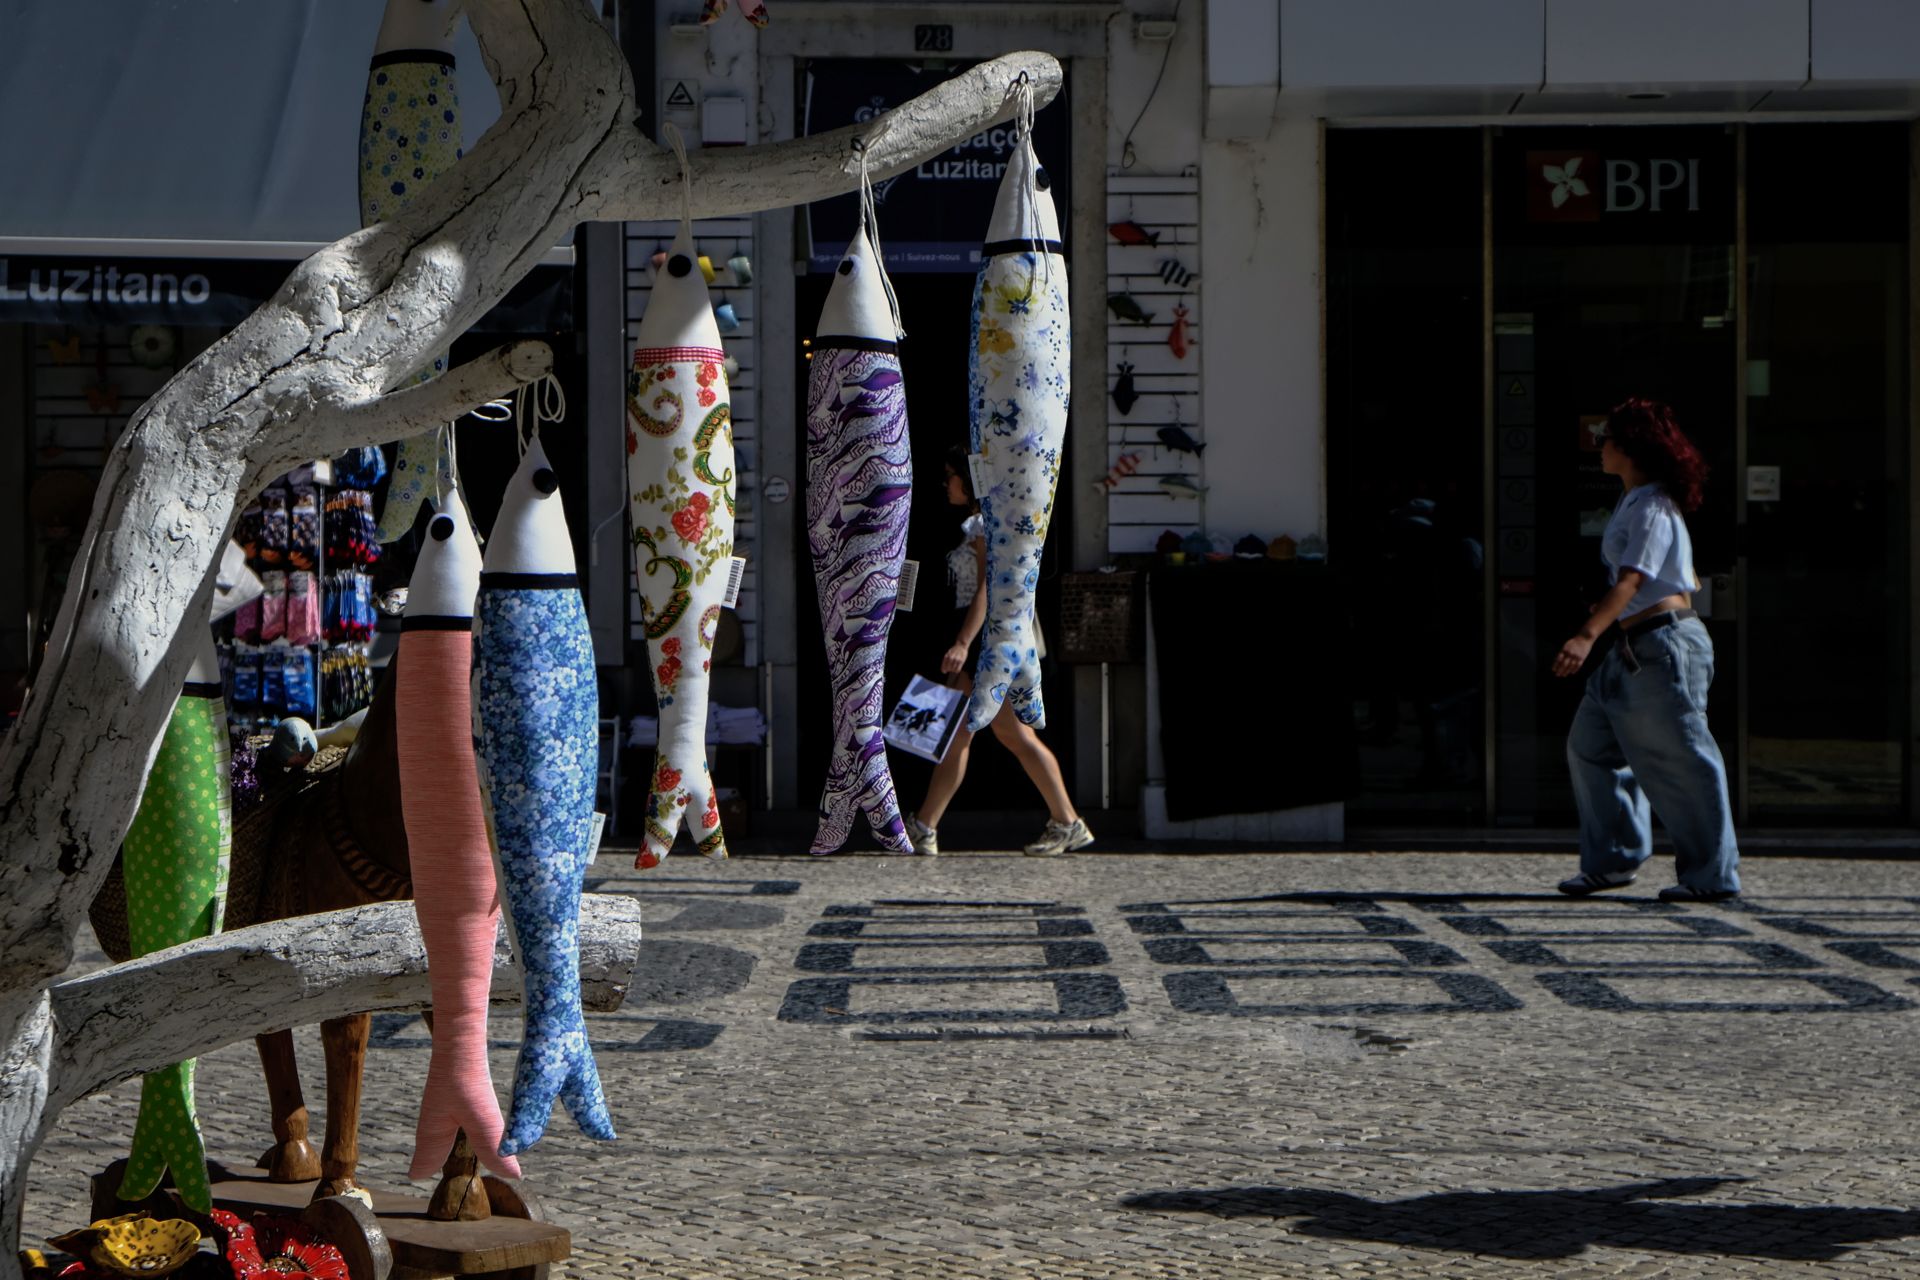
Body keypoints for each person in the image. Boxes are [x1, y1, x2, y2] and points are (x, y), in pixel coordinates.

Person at [1552, 397, 1740, 902]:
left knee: (1684, 760)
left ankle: (1712, 876)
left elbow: (1635, 579)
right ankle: (1613, 860)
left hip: (1664, 646)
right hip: (1635, 647)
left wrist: (1586, 635)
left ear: (1629, 447)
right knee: (1590, 746)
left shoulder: (1655, 504)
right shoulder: (1633, 498)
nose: (1599, 447)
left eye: (1605, 439)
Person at [903, 447, 1093, 857]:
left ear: (969, 482)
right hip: (993, 640)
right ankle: (925, 825)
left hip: (990, 643)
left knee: (980, 733)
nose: (945, 483)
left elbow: (989, 590)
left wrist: (963, 643)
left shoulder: (981, 524)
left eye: (951, 475)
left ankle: (926, 826)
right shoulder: (984, 523)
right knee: (990, 733)